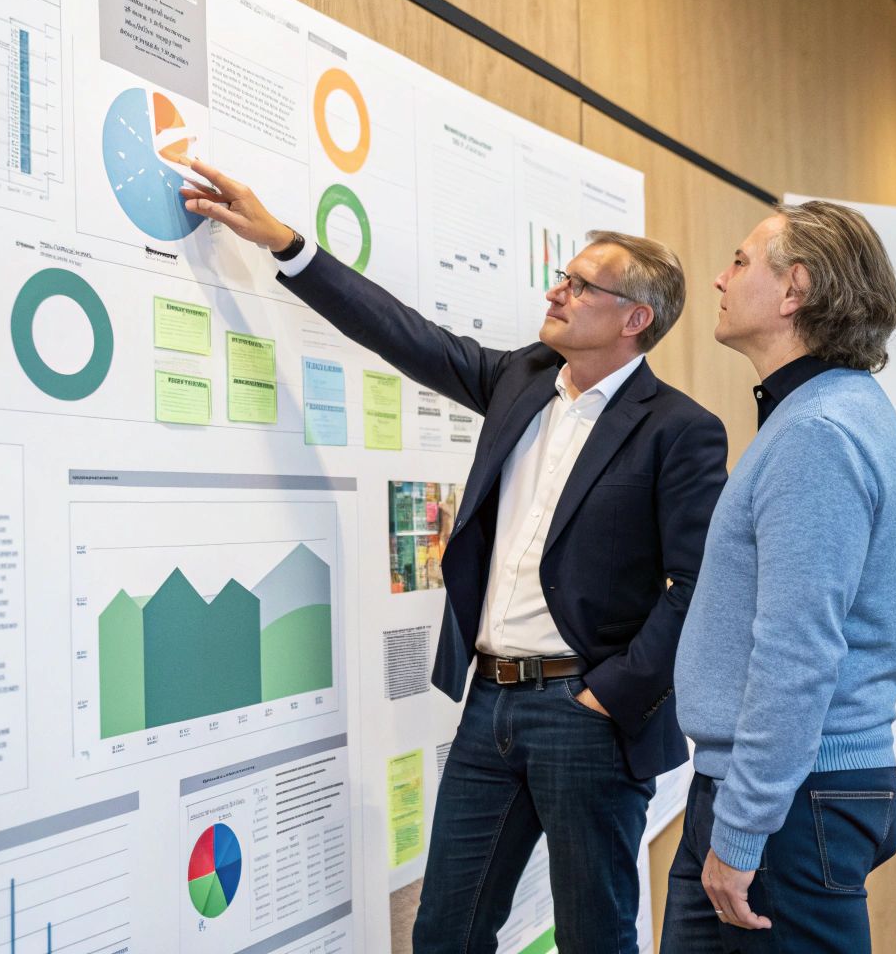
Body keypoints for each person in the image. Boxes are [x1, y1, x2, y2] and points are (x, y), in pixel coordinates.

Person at [182, 160, 728, 953]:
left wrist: (608, 697)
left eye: (580, 286)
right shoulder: (523, 378)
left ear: (634, 319)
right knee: (445, 933)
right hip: (490, 704)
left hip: (586, 718)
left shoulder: (678, 428)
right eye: (563, 278)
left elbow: (698, 586)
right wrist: (287, 244)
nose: (556, 293)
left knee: (595, 938)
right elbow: (404, 334)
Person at [664, 201, 896, 953]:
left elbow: (797, 653)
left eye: (740, 261)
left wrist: (742, 831)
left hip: (785, 800)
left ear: (795, 289)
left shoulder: (817, 433)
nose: (720, 279)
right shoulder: (828, 414)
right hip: (779, 791)